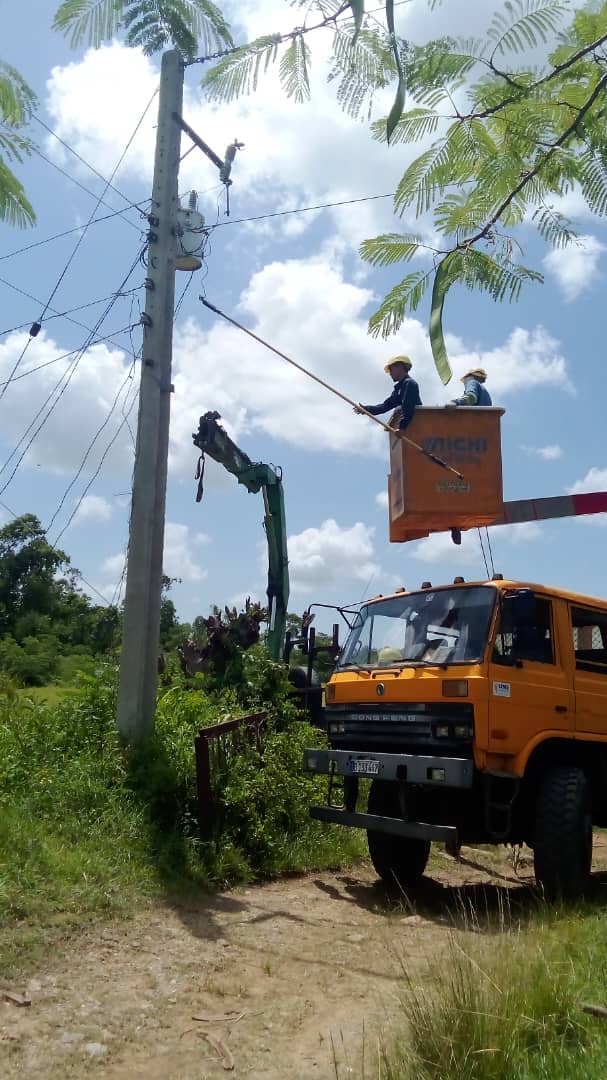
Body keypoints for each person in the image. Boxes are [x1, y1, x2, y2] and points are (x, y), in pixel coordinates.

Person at [355, 355, 422, 431]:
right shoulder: (398, 390)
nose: (390, 373)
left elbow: (408, 407)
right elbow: (384, 406)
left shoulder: (410, 384)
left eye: (391, 369)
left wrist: (402, 428)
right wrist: (366, 409)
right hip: (409, 429)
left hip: (416, 426)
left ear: (400, 367)